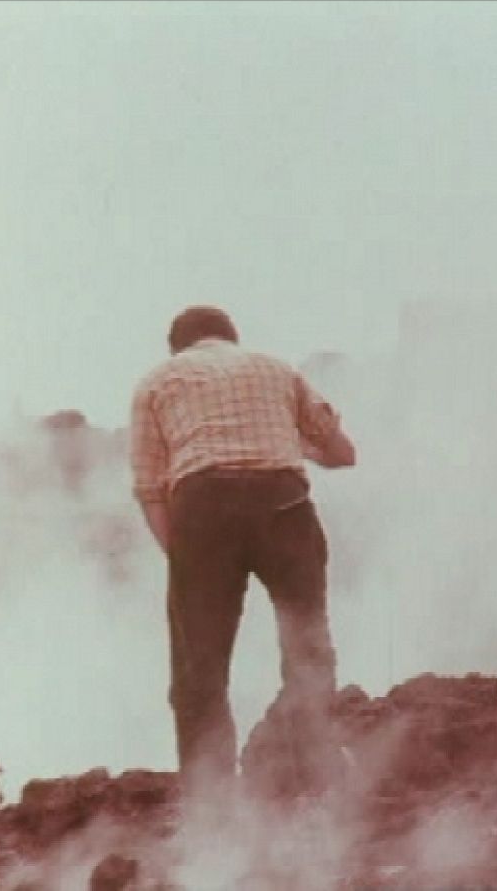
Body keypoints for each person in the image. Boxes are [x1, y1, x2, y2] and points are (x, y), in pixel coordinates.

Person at [129, 305, 357, 792]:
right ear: (232, 338)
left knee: (200, 667)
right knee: (307, 642)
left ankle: (209, 799)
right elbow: (344, 453)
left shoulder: (156, 382)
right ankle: (319, 775)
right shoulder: (276, 368)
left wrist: (185, 558)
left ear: (178, 348)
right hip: (284, 503)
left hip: (202, 505)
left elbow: (150, 490)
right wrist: (301, 451)